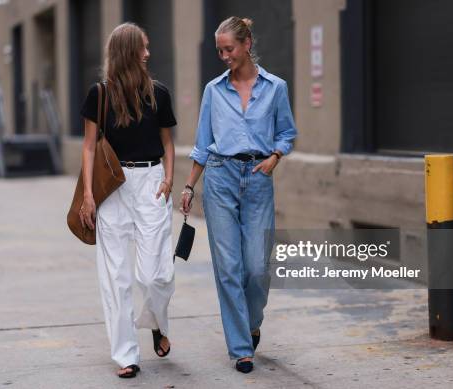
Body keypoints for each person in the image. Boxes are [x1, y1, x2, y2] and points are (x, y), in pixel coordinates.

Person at [180, 16, 297, 374]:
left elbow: (287, 133)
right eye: (219, 50)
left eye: (228, 49)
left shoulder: (275, 87)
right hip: (219, 176)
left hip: (259, 177)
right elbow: (202, 144)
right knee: (229, 267)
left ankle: (250, 322)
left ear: (246, 45)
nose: (224, 56)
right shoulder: (213, 91)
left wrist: (275, 158)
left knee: (258, 266)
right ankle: (241, 348)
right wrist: (188, 185)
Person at [79, 22, 177, 379]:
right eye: (142, 48)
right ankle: (126, 355)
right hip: (112, 187)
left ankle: (156, 321)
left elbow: (168, 142)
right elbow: (89, 146)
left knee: (156, 274)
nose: (148, 54)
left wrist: (168, 178)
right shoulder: (99, 94)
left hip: (151, 182)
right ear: (126, 52)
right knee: (115, 277)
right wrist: (89, 195)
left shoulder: (159, 93)